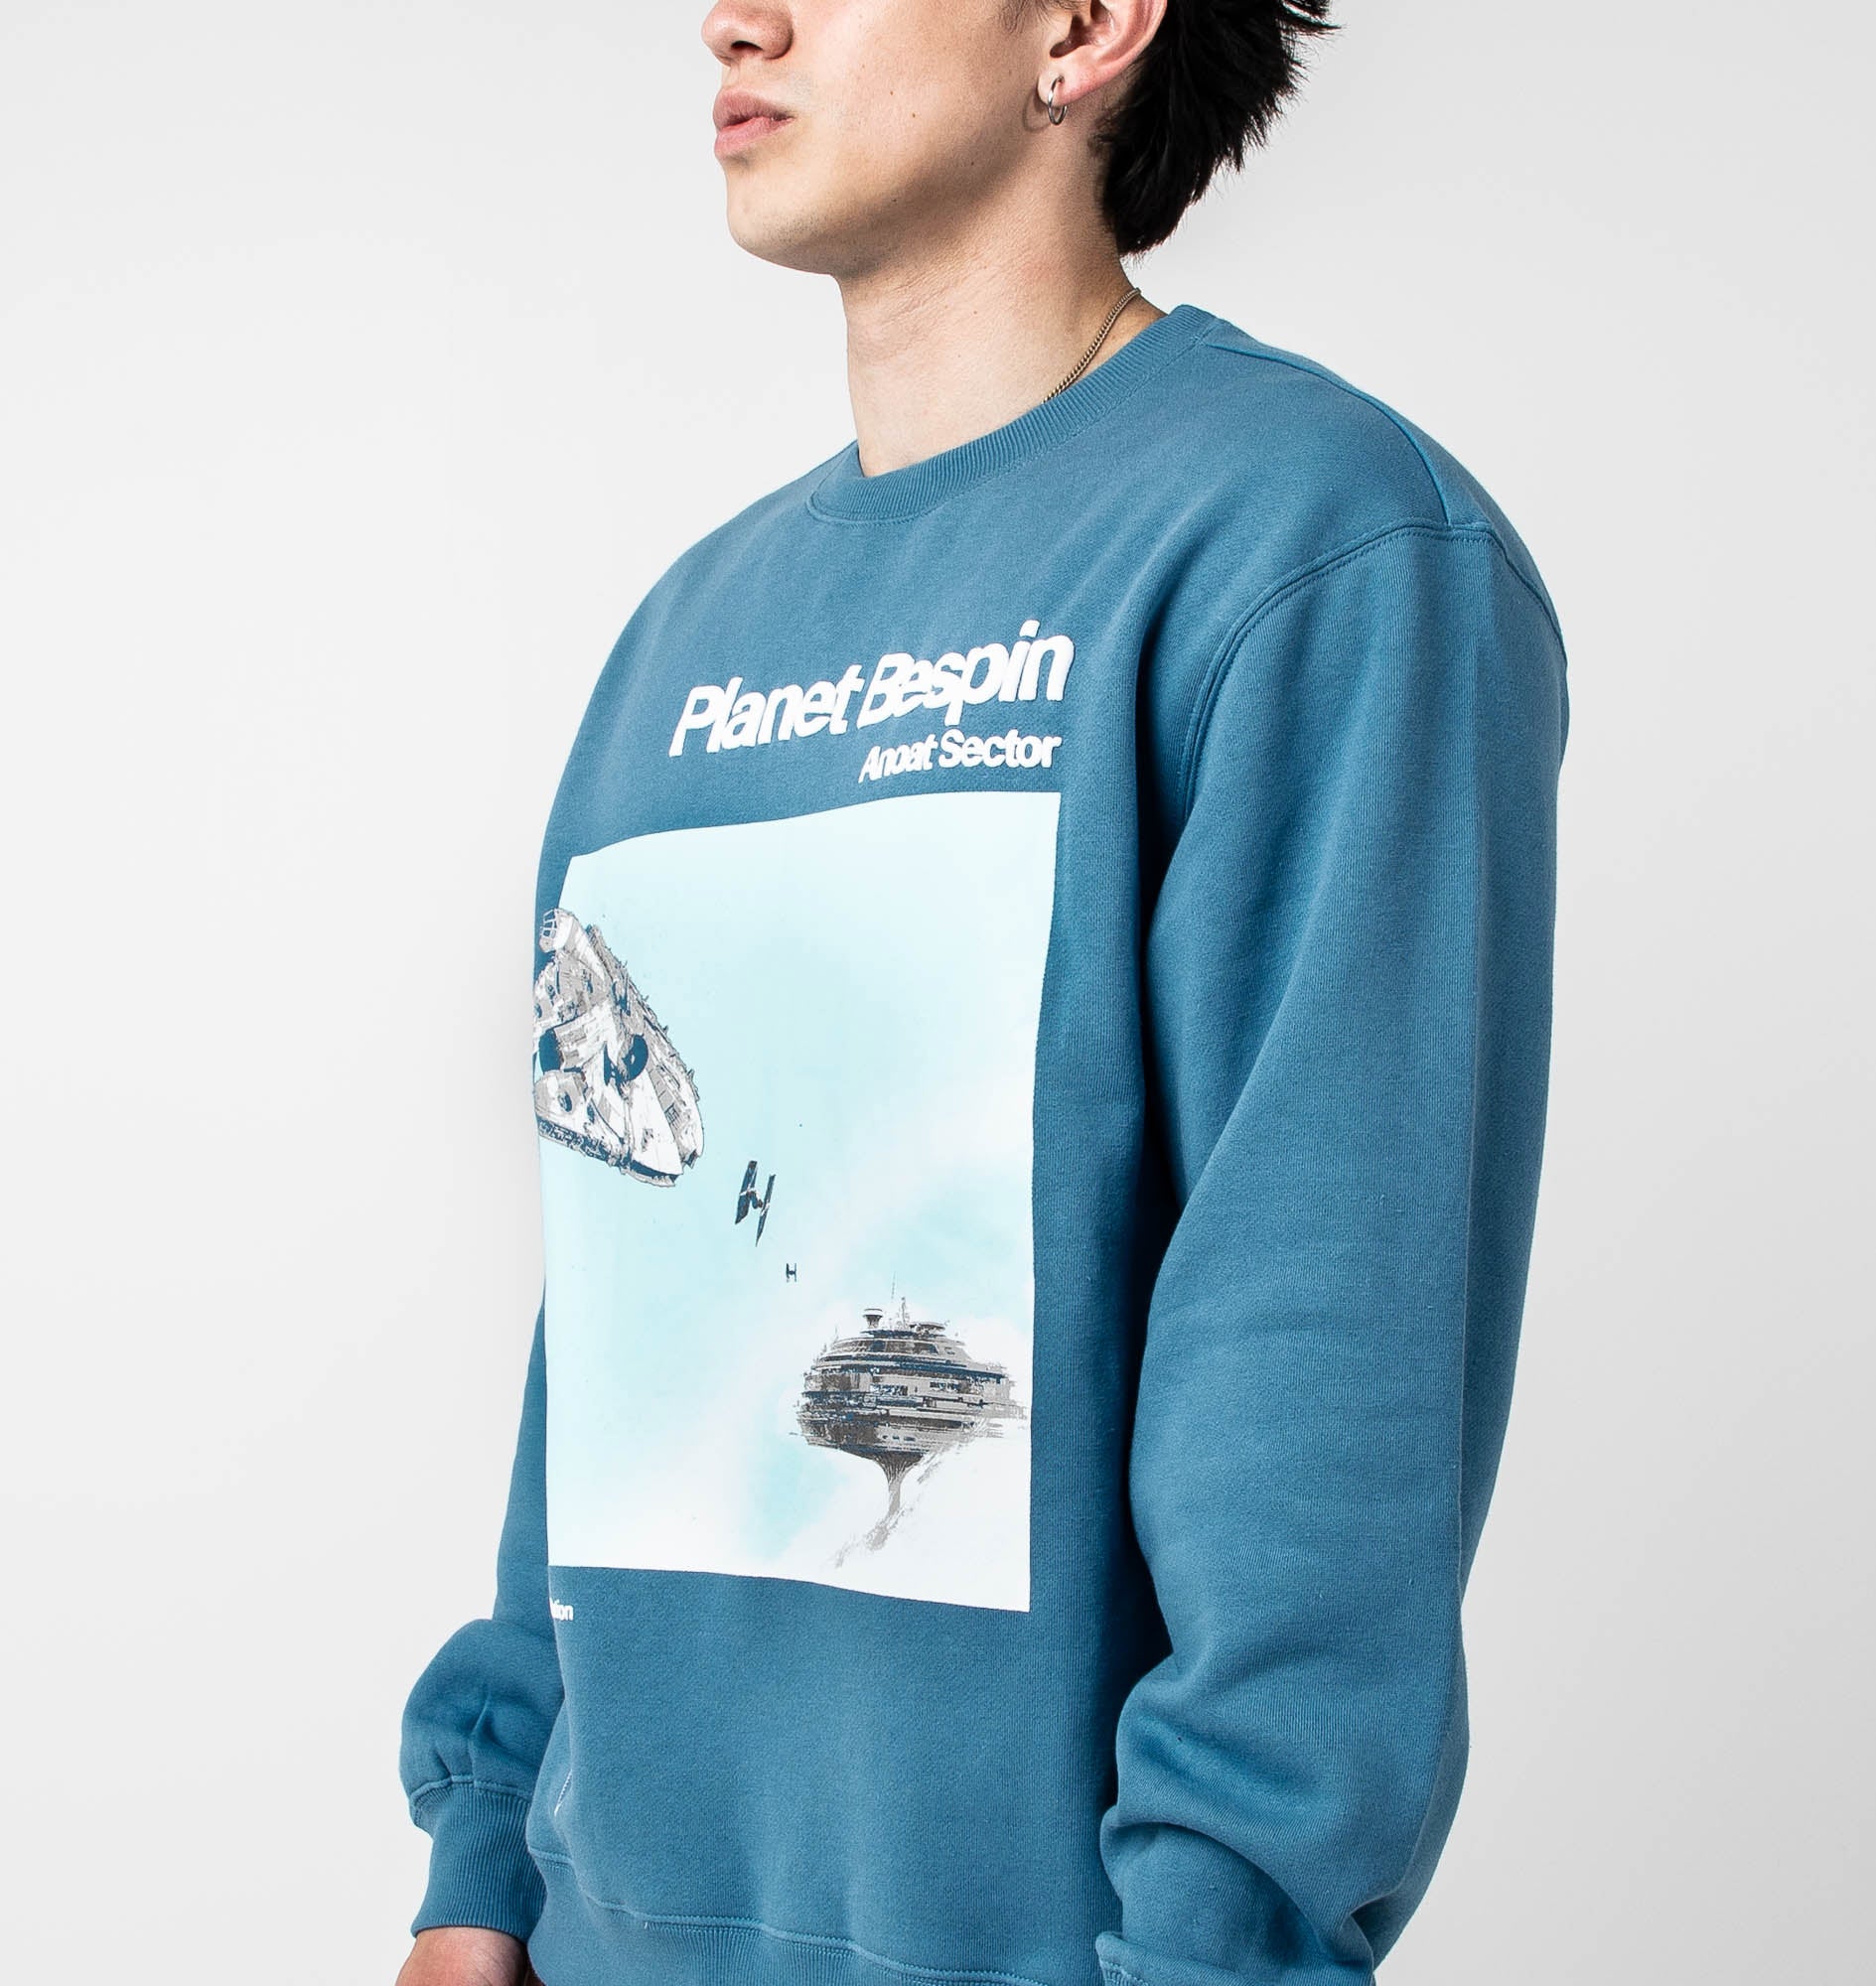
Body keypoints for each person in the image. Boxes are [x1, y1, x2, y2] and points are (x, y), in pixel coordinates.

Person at [394, 2, 1569, 1984]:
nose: (733, 17)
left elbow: (1321, 1365)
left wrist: (1216, 1944)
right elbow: (617, 1311)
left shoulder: (1314, 550)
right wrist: (481, 1869)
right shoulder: (686, 639)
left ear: (1088, 26)